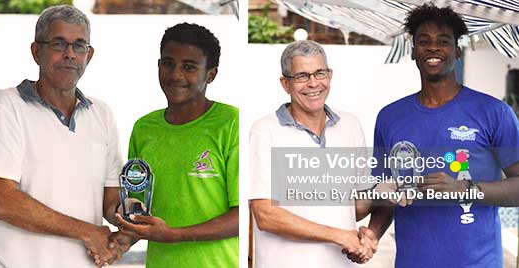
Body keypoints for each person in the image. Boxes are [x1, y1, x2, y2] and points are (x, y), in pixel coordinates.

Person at [370, 4, 519, 267]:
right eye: (424, 41)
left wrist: (463, 188)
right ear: (414, 51)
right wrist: (371, 234)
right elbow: (385, 195)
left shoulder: (494, 112)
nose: (433, 47)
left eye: (443, 41)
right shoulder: (389, 117)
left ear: (457, 51)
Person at [0, 5, 125, 268]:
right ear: (37, 51)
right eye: (59, 44)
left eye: (79, 46)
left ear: (89, 55)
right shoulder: (6, 105)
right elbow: (1, 201)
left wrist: (131, 221)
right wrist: (87, 231)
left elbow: (110, 201)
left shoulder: (102, 114)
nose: (70, 54)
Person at [249, 40, 388, 267]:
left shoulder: (350, 125)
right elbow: (265, 216)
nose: (313, 83)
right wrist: (339, 235)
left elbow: (355, 208)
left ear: (330, 75)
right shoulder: (265, 130)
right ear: (285, 83)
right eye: (302, 76)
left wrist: (385, 193)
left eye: (319, 73)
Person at [114, 22, 239, 267]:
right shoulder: (144, 128)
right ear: (158, 66)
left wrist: (175, 235)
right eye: (168, 63)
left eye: (189, 67)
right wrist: (121, 240)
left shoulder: (231, 123)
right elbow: (139, 210)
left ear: (210, 74)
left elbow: (242, 215)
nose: (175, 75)